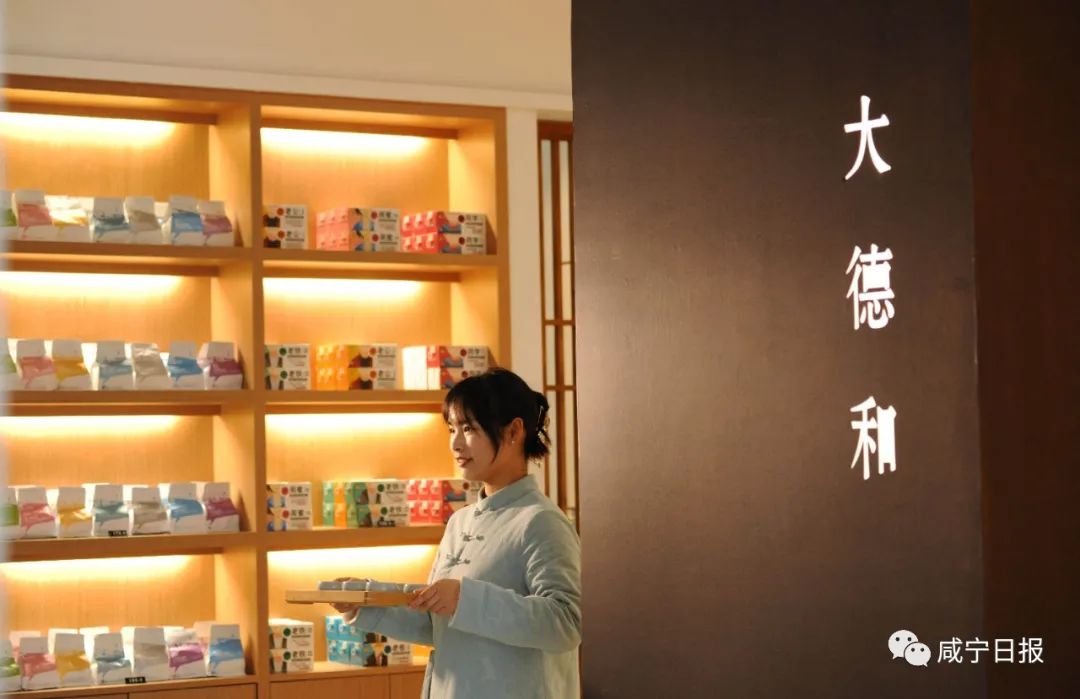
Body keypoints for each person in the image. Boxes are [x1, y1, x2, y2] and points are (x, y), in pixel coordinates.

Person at [333, 368, 582, 698]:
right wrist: (363, 602)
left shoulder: (541, 521)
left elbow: (566, 623)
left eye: (469, 428)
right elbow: (437, 623)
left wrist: (466, 598)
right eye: (452, 429)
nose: (455, 443)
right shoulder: (460, 522)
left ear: (514, 431)